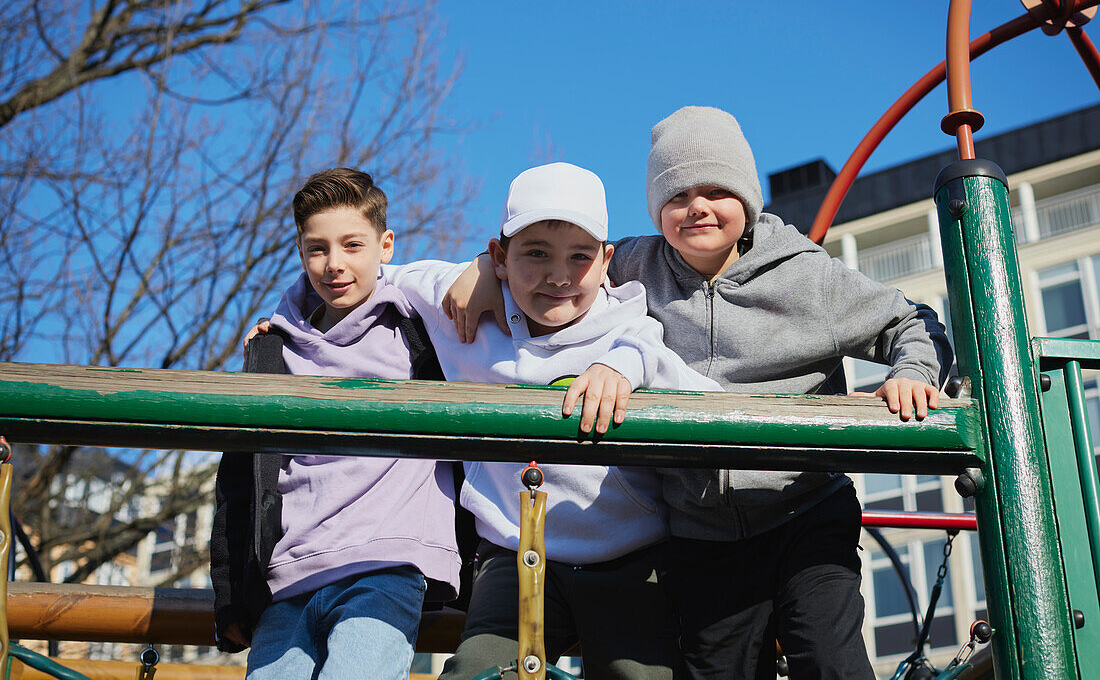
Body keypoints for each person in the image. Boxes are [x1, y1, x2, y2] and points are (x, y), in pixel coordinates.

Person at [444, 107, 954, 679]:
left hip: (802, 506)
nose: (698, 208)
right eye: (678, 194)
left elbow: (909, 322)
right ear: (658, 208)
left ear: (747, 198)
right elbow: (555, 257)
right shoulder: (635, 263)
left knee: (829, 658)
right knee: (717, 670)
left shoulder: (806, 276)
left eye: (717, 190)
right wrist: (480, 272)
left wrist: (914, 373)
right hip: (699, 526)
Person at [382, 161, 724, 680]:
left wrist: (626, 365)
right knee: (473, 673)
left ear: (607, 261)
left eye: (579, 257)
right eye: (535, 254)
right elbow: (362, 273)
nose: (559, 276)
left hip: (628, 555)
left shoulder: (628, 332)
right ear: (500, 255)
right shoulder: (461, 307)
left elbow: (708, 402)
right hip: (516, 554)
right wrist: (286, 327)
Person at [209, 168, 461, 680]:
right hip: (290, 573)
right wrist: (232, 595)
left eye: (352, 245)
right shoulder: (274, 349)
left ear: (385, 245)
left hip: (387, 561)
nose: (334, 264)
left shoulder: (418, 329)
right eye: (317, 249)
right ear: (301, 253)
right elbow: (241, 477)